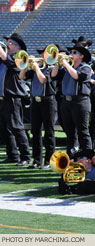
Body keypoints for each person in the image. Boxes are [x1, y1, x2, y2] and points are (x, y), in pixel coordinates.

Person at [19, 46, 57, 169]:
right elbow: (21, 77)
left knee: (49, 132)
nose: (40, 58)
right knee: (35, 132)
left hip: (48, 102)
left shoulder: (50, 69)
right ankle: (36, 160)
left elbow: (43, 80)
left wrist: (36, 67)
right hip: (35, 102)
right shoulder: (35, 69)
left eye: (43, 55)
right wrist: (25, 65)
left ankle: (48, 161)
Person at [51, 44, 92, 156]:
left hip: (80, 102)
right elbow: (53, 75)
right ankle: (72, 157)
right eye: (71, 52)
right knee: (70, 133)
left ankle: (87, 157)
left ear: (82, 56)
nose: (71, 54)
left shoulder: (86, 68)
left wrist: (65, 64)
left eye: (74, 52)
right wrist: (57, 63)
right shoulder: (66, 68)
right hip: (66, 102)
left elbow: (78, 77)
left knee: (83, 132)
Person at [0, 33, 31, 165]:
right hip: (3, 96)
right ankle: (12, 155)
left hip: (13, 96)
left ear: (18, 47)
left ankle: (25, 156)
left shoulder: (20, 58)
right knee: (5, 128)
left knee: (16, 127)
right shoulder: (3, 59)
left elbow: (14, 66)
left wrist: (2, 52)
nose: (8, 44)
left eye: (11, 43)